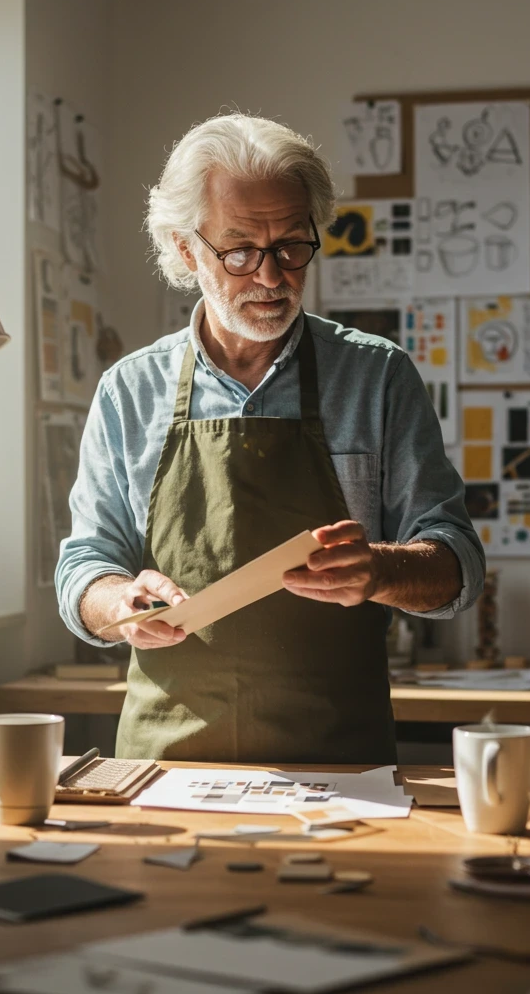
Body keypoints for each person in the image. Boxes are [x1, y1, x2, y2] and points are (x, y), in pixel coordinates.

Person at [57, 113, 484, 764]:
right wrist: (120, 599)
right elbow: (83, 565)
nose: (272, 276)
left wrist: (381, 568)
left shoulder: (377, 377)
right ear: (183, 249)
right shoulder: (128, 392)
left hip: (340, 767)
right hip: (166, 765)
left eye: (291, 245)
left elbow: (459, 565)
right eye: (239, 252)